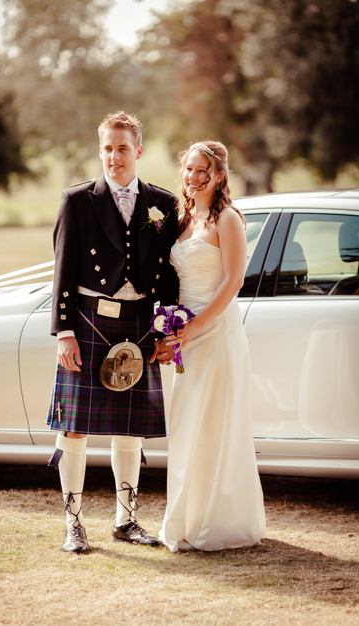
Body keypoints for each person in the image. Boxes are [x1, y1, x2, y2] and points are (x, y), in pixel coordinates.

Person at [46, 111, 179, 554]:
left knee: (129, 429)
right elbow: (62, 269)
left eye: (123, 148)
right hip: (87, 320)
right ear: (99, 149)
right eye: (107, 147)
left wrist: (167, 328)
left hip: (139, 323)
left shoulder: (162, 203)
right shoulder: (77, 200)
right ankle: (74, 522)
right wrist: (63, 330)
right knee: (75, 427)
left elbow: (168, 278)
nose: (114, 156)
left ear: (138, 150)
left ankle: (127, 520)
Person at [159, 140, 266, 552]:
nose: (194, 177)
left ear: (219, 175)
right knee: (188, 427)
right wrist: (170, 331)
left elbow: (233, 281)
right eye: (188, 168)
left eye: (203, 170)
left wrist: (193, 328)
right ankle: (186, 519)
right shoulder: (184, 218)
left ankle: (218, 524)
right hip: (185, 337)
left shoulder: (228, 219)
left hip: (216, 334)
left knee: (217, 425)